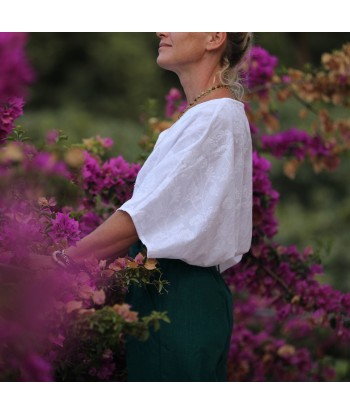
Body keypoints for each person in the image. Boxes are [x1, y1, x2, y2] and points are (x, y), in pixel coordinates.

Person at [50, 32, 253, 381]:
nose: (161, 29)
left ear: (214, 37)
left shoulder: (215, 116)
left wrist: (63, 263)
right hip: (173, 294)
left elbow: (141, 219)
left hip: (178, 298)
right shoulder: (208, 114)